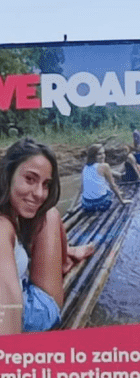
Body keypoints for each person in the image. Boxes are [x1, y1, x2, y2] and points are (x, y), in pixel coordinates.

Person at [0, 138, 94, 334]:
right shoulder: (2, 227)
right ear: (7, 175)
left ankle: (66, 252)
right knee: (49, 214)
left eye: (46, 184)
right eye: (30, 179)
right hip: (30, 316)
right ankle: (65, 258)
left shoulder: (8, 217)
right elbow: (8, 309)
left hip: (21, 289)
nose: (39, 193)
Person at [80, 144, 131, 212]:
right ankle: (119, 192)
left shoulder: (85, 167)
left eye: (103, 153)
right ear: (93, 156)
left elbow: (81, 187)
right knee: (108, 189)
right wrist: (122, 201)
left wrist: (71, 207)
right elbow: (113, 185)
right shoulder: (105, 166)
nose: (103, 156)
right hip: (102, 204)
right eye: (99, 154)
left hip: (87, 205)